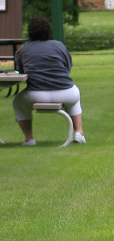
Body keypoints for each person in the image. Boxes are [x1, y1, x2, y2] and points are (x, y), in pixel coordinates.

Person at [13, 17, 86, 145]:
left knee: (18, 103)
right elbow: (68, 66)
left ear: (30, 32)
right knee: (75, 99)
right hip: (65, 92)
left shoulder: (23, 49)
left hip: (36, 94)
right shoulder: (59, 45)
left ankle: (29, 139)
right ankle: (79, 132)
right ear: (48, 31)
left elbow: (20, 71)